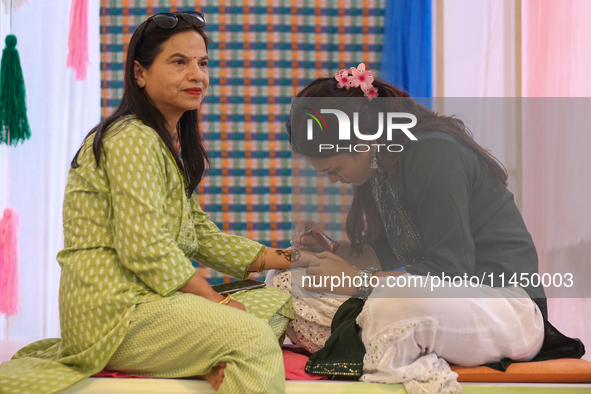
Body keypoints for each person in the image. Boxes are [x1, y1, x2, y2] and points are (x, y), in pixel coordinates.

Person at [0, 12, 294, 394]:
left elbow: (201, 236)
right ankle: (215, 355)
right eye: (179, 62)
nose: (197, 75)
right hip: (118, 312)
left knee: (274, 306)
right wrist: (217, 303)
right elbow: (146, 249)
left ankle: (209, 360)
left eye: (202, 63)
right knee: (251, 335)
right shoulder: (130, 138)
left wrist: (294, 257)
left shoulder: (161, 143)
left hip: (154, 302)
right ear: (140, 73)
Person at [271, 64, 584, 393]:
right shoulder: (380, 168)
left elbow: (450, 269)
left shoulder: (433, 153)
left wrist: (355, 281)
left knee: (393, 304)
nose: (334, 179)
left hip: (504, 306)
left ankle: (407, 358)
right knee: (286, 281)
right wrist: (327, 251)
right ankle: (392, 345)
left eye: (334, 169)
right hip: (442, 299)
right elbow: (391, 256)